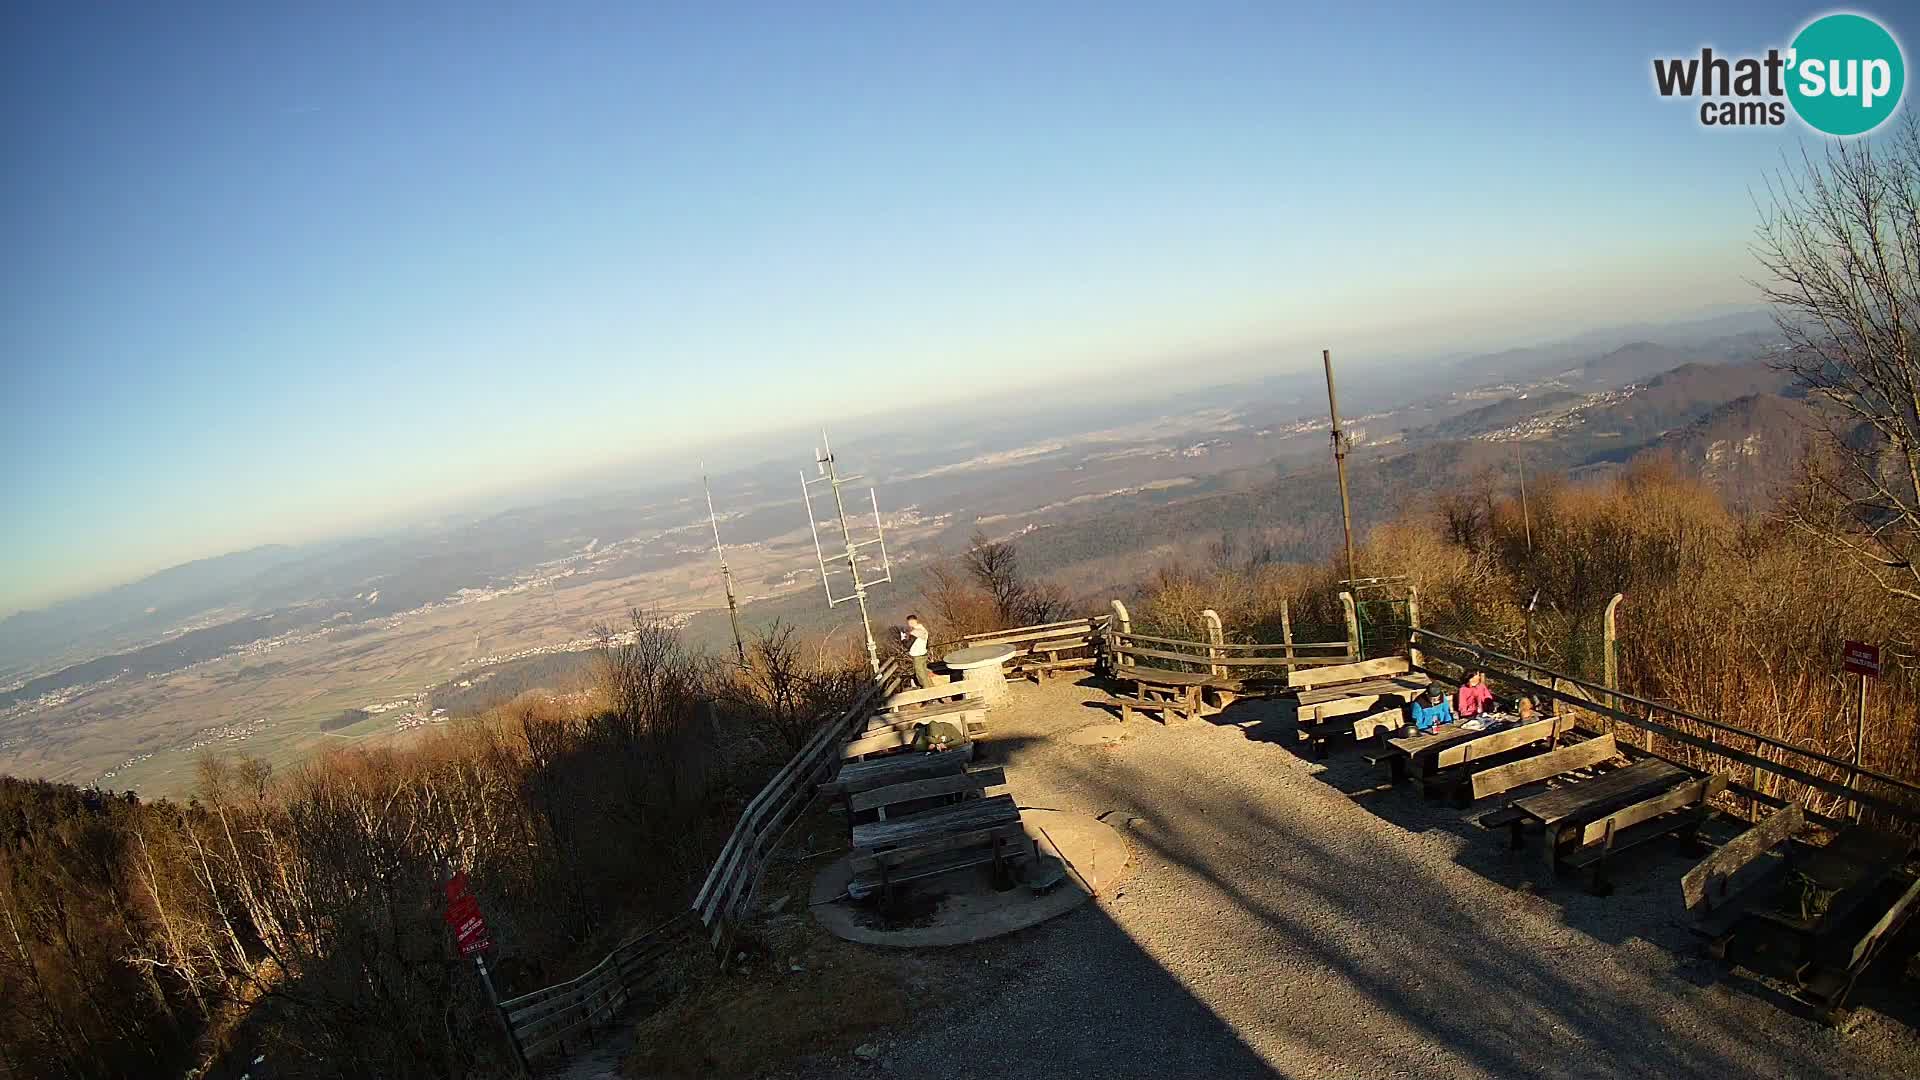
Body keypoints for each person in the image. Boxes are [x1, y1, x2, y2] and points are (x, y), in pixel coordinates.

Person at [900, 614, 931, 688]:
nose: (910, 624)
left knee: (920, 674)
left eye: (911, 622)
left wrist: (903, 638)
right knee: (924, 672)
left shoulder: (915, 632)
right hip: (923, 654)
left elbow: (908, 645)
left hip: (918, 655)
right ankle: (930, 686)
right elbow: (927, 643)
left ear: (915, 621)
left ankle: (928, 690)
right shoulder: (923, 629)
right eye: (909, 622)